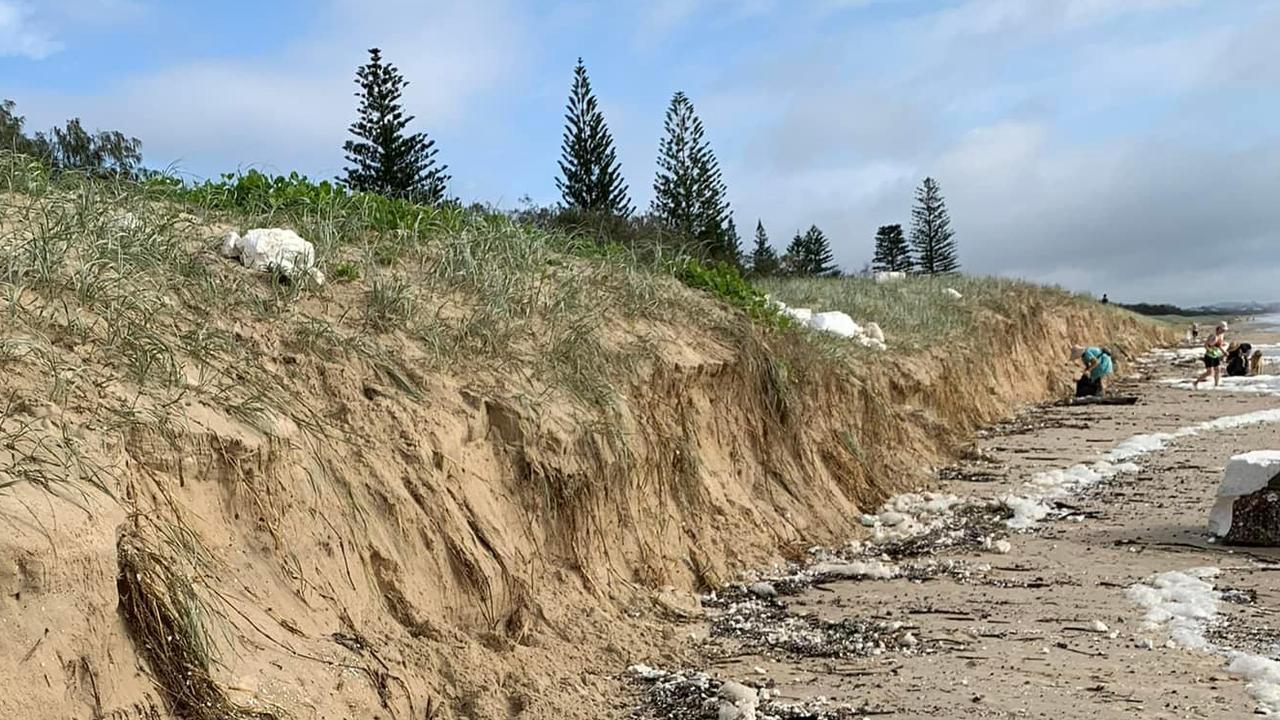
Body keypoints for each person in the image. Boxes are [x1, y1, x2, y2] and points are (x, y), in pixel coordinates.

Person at [1193, 322, 1229, 389]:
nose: (1224, 331)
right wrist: (1210, 350)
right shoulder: (1213, 336)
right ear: (1218, 328)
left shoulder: (1221, 336)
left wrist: (1224, 352)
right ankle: (1196, 382)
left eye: (1224, 330)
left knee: (1218, 369)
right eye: (1223, 329)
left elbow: (1219, 346)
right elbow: (1206, 345)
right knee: (1209, 372)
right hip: (1209, 356)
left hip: (1216, 355)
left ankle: (1216, 385)